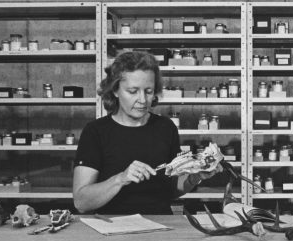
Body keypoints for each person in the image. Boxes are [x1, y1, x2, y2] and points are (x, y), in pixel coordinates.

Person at [73, 51, 217, 215]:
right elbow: (81, 202)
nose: (142, 100)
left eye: (148, 91)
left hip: (159, 225)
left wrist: (195, 176)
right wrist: (121, 179)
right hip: (111, 228)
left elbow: (172, 190)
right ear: (115, 90)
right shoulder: (95, 132)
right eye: (133, 91)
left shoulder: (165, 127)